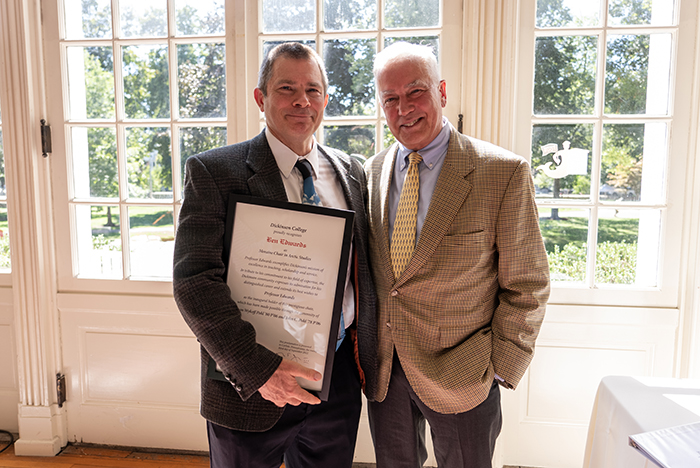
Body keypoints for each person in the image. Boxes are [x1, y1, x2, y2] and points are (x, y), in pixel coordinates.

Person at [173, 42, 377, 468]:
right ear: (261, 98)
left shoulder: (350, 170)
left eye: (313, 89)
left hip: (335, 381)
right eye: (287, 88)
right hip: (248, 386)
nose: (302, 101)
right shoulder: (215, 171)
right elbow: (194, 283)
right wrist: (261, 371)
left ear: (326, 98)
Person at [364, 42, 550, 468]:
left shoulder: (502, 172)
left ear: (442, 92)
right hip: (386, 373)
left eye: (416, 92)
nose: (404, 108)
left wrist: (500, 367)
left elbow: (528, 283)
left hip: (466, 376)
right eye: (390, 99)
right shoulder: (371, 172)